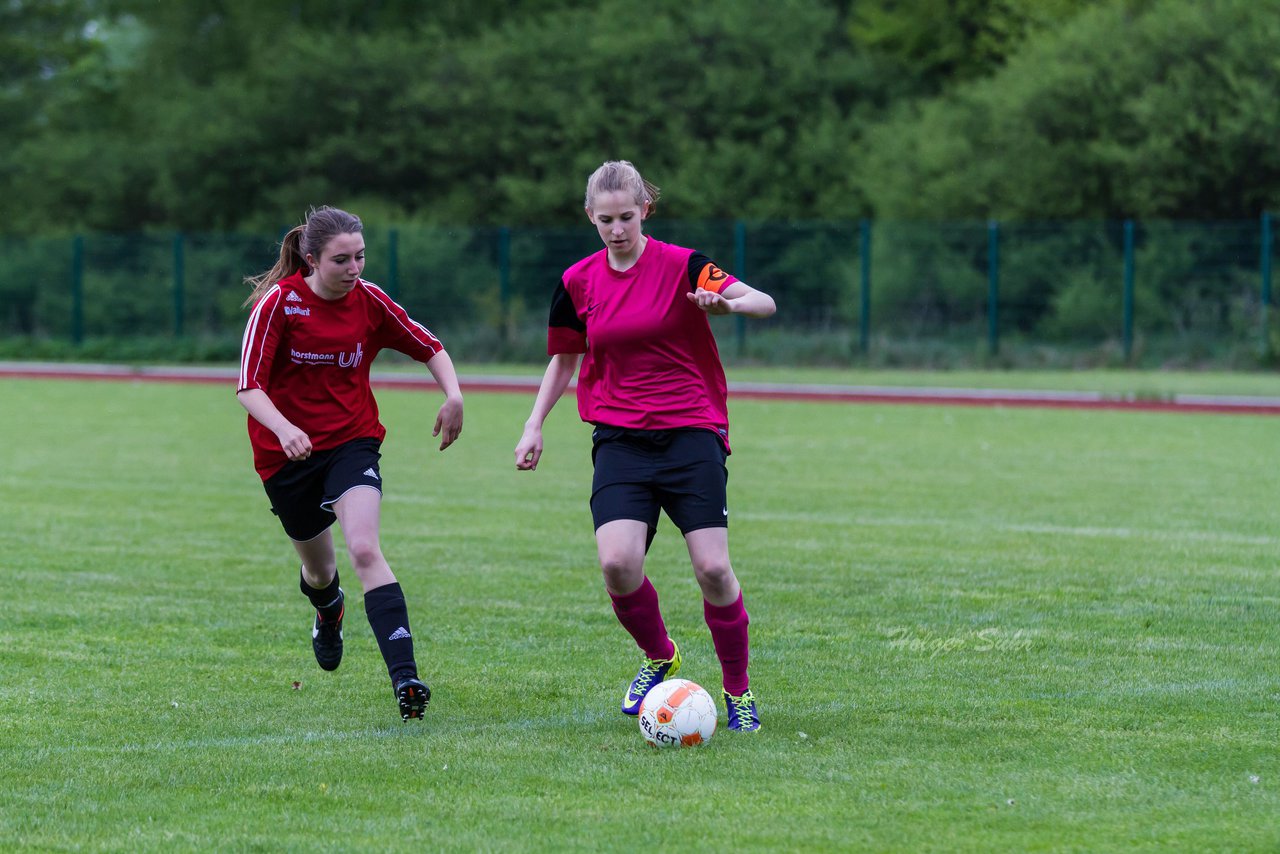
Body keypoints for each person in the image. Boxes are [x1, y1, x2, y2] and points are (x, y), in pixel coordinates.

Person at [514, 161, 777, 732]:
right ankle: (660, 655)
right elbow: (564, 359)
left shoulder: (685, 266)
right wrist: (534, 424)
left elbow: (763, 302)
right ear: (590, 217)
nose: (617, 230)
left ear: (645, 212)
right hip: (620, 440)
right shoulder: (577, 281)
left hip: (690, 432)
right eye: (605, 219)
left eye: (627, 217)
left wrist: (726, 304)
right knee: (617, 563)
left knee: (712, 568)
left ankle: (739, 693)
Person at [237, 206, 463, 721]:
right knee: (319, 571)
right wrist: (285, 428)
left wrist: (453, 395)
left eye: (361, 256)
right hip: (285, 456)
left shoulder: (370, 301)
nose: (355, 268)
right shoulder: (279, 304)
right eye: (342, 260)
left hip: (351, 443)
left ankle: (406, 679)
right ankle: (328, 610)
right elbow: (249, 387)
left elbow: (430, 346)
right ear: (311, 259)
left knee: (364, 547)